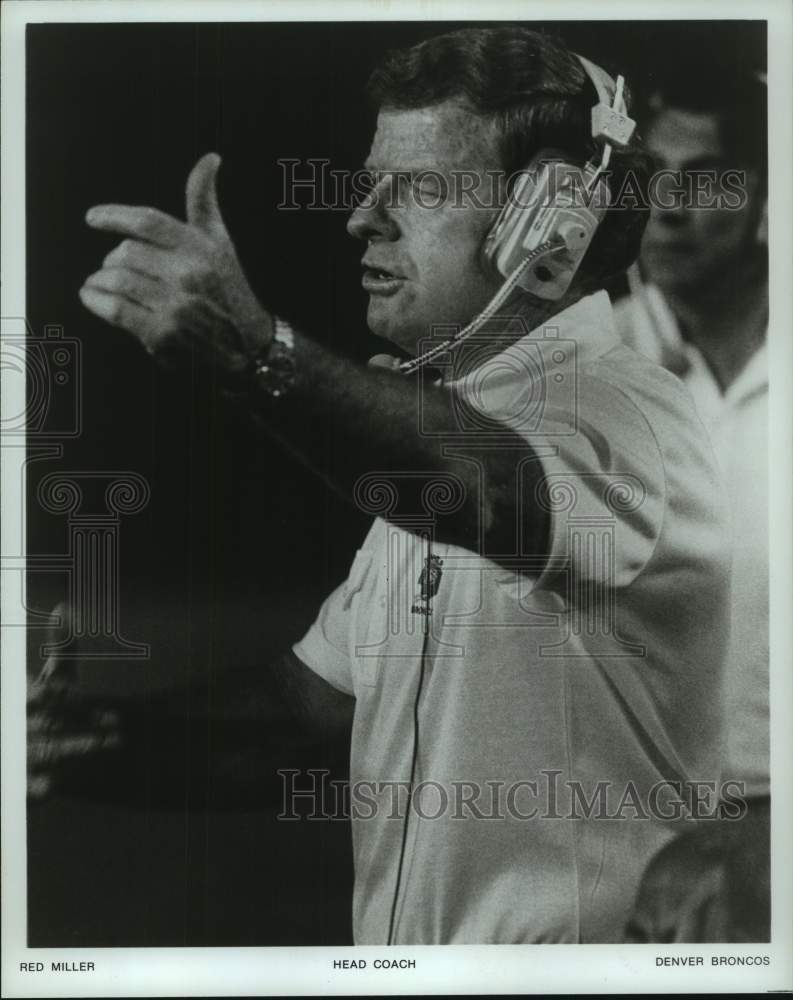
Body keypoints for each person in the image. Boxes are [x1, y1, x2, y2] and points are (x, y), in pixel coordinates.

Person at [29, 27, 732, 944]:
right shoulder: (441, 427)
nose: (362, 217)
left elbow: (485, 493)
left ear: (548, 222)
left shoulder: (625, 409)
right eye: (371, 182)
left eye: (418, 186)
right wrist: (68, 745)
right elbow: (303, 713)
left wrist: (256, 356)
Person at [613, 65, 769, 942]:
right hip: (622, 829)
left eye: (703, 181)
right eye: (648, 181)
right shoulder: (595, 365)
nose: (666, 210)